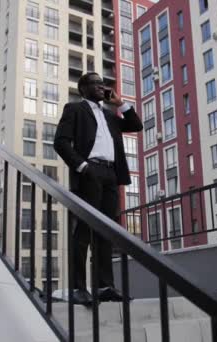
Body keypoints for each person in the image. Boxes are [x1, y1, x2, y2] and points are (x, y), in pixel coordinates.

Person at [53, 72, 143, 306]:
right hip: (89, 172)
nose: (101, 86)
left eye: (103, 83)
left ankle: (105, 287)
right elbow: (60, 142)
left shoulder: (110, 115)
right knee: (84, 230)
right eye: (95, 83)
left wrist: (120, 103)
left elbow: (136, 125)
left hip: (111, 175)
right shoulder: (74, 109)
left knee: (105, 232)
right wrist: (82, 166)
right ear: (83, 88)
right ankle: (78, 288)